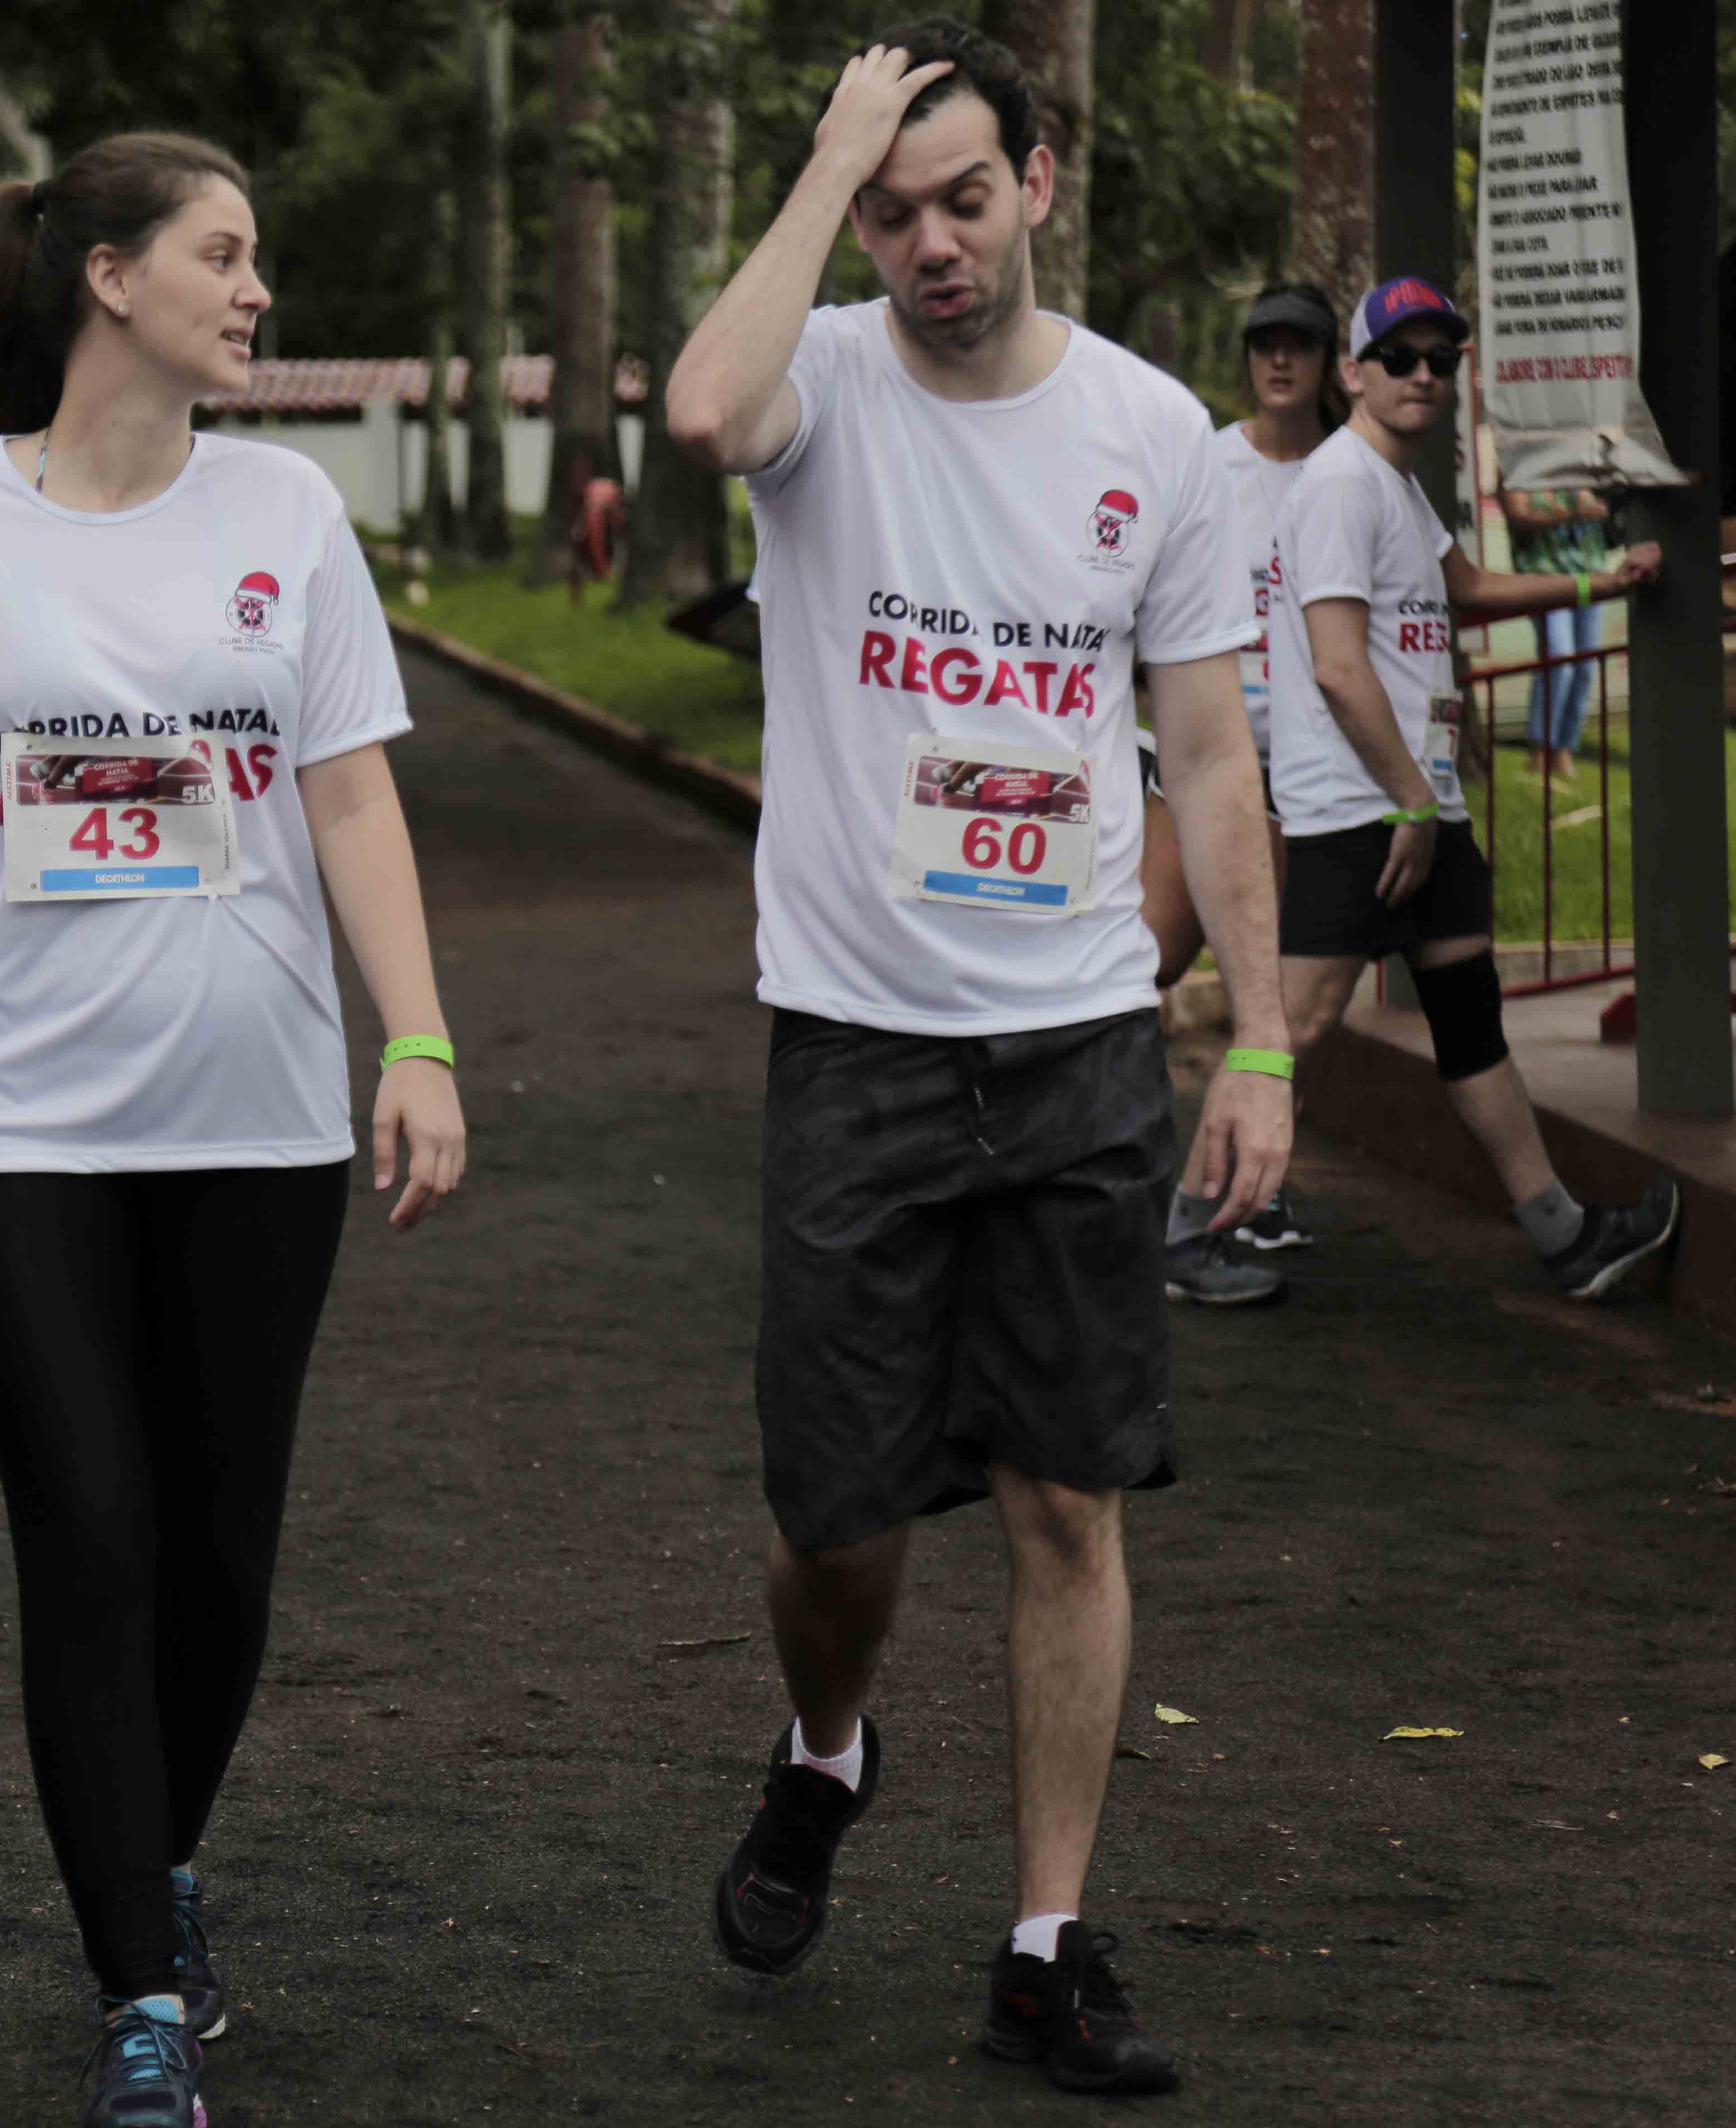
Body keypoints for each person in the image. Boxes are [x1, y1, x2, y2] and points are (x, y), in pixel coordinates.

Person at [0, 132, 465, 2128]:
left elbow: (343, 797)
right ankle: (139, 1995)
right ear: (108, 282)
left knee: (219, 1554)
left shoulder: (288, 511)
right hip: (11, 1114)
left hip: (254, 1113)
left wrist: (416, 1038)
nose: (255, 292)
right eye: (224, 257)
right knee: (90, 1530)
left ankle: (148, 1862)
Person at [661, 24, 1290, 2098]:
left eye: (958, 197)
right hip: (854, 1046)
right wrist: (826, 147)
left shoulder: (1152, 437)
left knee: (1064, 1503)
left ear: (1036, 184)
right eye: (886, 209)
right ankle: (823, 1748)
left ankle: (1042, 1939)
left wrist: (1262, 1043)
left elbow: (1203, 752)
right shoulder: (819, 384)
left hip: (1077, 1050)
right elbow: (696, 405)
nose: (924, 244)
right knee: (836, 1523)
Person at [1263, 276, 1679, 1299]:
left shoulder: (1399, 489)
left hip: (1420, 807)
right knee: (1287, 1030)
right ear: (1353, 374)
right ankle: (1197, 1222)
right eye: (1398, 359)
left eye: (1440, 361)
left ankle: (1565, 1236)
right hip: (1357, 810)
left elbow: (1467, 590)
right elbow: (1336, 664)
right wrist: (1409, 800)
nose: (1421, 375)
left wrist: (1596, 585)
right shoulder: (1337, 484)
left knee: (1470, 1024)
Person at [1143, 281, 1347, 1298]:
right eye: (1264, 346)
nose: (1280, 363)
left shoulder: (1351, 475)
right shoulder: (1205, 465)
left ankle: (1235, 1199)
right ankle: (1135, 1189)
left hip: (1320, 776)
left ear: (1328, 365)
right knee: (1147, 965)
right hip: (1209, 762)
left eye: (1299, 348)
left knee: (1287, 1004)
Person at [1501, 484, 1609, 780]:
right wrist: (1574, 512)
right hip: (1544, 576)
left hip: (1590, 573)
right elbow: (1518, 514)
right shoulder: (1518, 463)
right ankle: (1539, 754)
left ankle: (1565, 752)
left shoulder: (1577, 457)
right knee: (1559, 661)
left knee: (1586, 667)